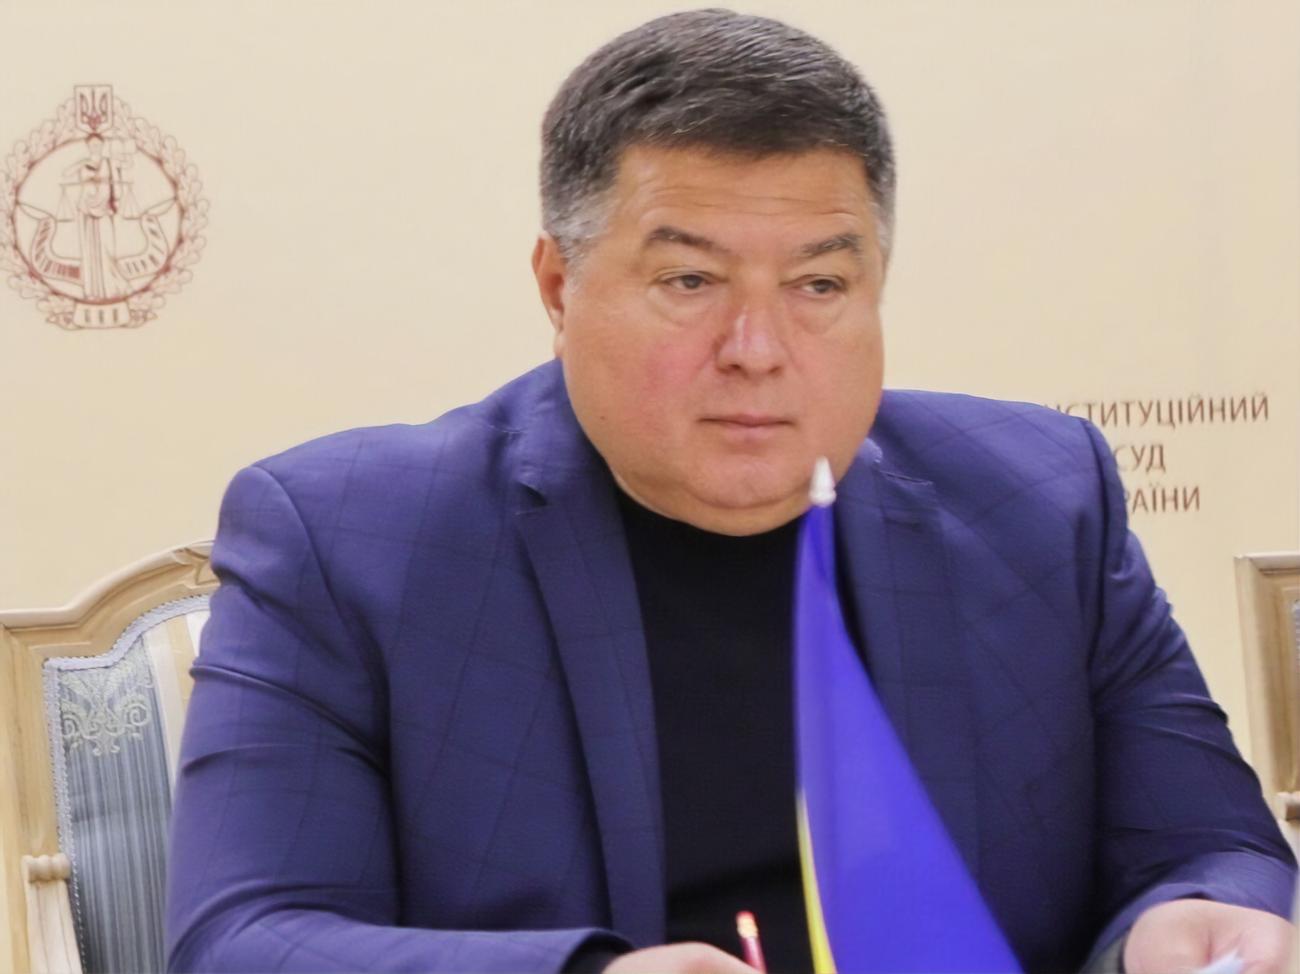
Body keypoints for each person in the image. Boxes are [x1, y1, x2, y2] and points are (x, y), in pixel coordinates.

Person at [166, 10, 1297, 973]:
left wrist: (1188, 922)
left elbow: (1210, 848)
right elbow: (245, 939)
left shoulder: (1043, 502)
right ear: (559, 284)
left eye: (819, 284)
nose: (757, 348)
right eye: (690, 279)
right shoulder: (348, 541)